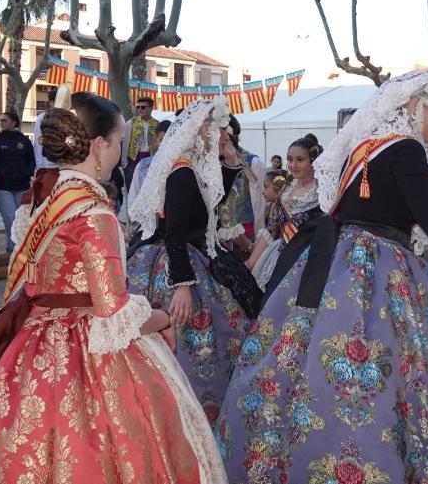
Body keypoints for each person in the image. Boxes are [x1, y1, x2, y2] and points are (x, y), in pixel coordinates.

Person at [215, 70, 428, 483]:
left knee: (313, 368)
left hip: (335, 266)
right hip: (379, 272)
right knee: (392, 377)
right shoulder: (406, 149)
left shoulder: (366, 146)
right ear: (414, 105)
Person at [0, 91, 228, 484]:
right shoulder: (94, 213)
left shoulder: (41, 198)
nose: (118, 156)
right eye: (118, 144)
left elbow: (30, 280)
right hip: (88, 352)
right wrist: (161, 318)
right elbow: (113, 315)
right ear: (97, 145)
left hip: (33, 342)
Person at [128, 97, 264, 426]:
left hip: (195, 253)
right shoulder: (182, 170)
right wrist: (184, 286)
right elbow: (175, 233)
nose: (225, 135)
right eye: (220, 130)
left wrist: (231, 163)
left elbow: (210, 207)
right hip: (174, 263)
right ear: (203, 130)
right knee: (196, 337)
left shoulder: (196, 168)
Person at [246, 134, 324, 292]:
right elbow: (272, 230)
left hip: (308, 262)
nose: (293, 165)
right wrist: (250, 263)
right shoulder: (284, 190)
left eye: (300, 160)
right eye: (289, 159)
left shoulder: (323, 192)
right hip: (279, 258)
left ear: (313, 161)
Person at [0, 110, 35, 252]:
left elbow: (31, 160)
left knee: (21, 217)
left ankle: (19, 245)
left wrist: (27, 173)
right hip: (2, 185)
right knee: (9, 216)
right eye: (0, 120)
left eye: (4, 120)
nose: (1, 123)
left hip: (21, 185)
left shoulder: (24, 140)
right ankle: (14, 247)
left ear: (14, 122)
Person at [218, 115, 266, 256]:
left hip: (245, 235)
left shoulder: (253, 162)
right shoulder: (210, 162)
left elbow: (259, 204)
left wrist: (255, 241)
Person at [125, 118, 172, 216]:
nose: (166, 144)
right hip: (147, 222)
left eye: (170, 140)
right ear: (155, 141)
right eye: (162, 140)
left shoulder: (181, 166)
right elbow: (133, 196)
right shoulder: (143, 166)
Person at [121, 95, 159, 188]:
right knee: (132, 188)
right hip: (133, 159)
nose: (139, 109)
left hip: (151, 159)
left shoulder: (157, 124)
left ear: (151, 108)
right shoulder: (130, 123)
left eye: (143, 107)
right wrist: (124, 160)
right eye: (138, 107)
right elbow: (125, 143)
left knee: (147, 188)